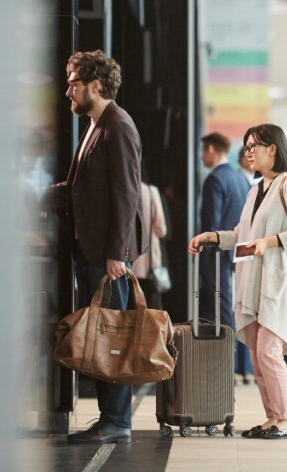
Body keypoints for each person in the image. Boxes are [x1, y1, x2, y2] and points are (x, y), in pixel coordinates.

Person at [188, 124, 287, 440]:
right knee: (260, 353)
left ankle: (285, 420)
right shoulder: (254, 189)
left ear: (272, 149)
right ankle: (272, 417)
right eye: (245, 147)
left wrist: (270, 241)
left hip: (281, 280)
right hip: (256, 280)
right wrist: (214, 237)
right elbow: (243, 235)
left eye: (252, 146)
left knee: (269, 351)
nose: (247, 153)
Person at [51, 50, 147, 444]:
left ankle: (117, 421)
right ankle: (111, 417)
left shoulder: (117, 126)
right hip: (92, 249)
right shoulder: (97, 124)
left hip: (105, 255)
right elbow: (81, 188)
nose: (67, 89)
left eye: (73, 81)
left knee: (113, 335)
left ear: (95, 85)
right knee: (103, 334)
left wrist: (116, 254)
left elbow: (126, 195)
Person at [198, 132, 253, 383]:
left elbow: (211, 223)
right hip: (239, 254)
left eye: (203, 151)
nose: (202, 157)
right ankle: (243, 366)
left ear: (211, 148)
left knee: (218, 310)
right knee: (237, 308)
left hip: (217, 255)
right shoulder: (240, 179)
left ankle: (224, 368)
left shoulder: (215, 179)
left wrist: (205, 247)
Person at [132, 169, 167, 310]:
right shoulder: (151, 192)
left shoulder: (126, 190)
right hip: (149, 263)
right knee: (151, 308)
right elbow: (161, 229)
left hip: (130, 262)